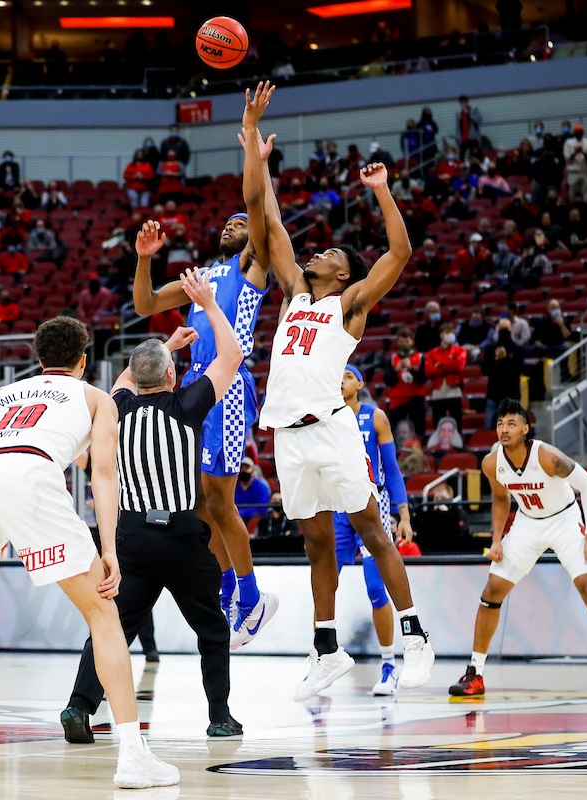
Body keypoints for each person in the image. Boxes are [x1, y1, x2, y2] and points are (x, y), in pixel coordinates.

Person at [0, 317, 178, 788]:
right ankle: (133, 755)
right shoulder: (94, 398)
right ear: (84, 360)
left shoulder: (1, 394)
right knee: (104, 613)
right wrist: (109, 548)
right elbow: (104, 476)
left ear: (39, 359)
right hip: (30, 478)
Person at [244, 91, 433, 700]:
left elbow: (399, 253)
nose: (317, 252)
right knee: (315, 542)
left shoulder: (348, 306)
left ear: (343, 274)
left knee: (373, 531)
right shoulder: (295, 293)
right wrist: (256, 147)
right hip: (289, 438)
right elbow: (265, 217)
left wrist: (380, 191)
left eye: (328, 253)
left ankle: (415, 638)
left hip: (332, 426)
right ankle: (325, 651)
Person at [63, 270, 244, 747]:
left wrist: (165, 344)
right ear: (171, 375)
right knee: (212, 629)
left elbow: (128, 373)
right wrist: (207, 304)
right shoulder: (187, 403)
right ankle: (220, 716)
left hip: (132, 539)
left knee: (110, 629)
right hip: (182, 537)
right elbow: (232, 355)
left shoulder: (117, 405)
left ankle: (79, 707)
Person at [128, 85, 280, 652]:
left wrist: (252, 153)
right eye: (227, 224)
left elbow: (259, 208)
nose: (230, 225)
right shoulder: (200, 277)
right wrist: (144, 260)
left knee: (218, 499)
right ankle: (225, 592)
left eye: (239, 223)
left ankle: (252, 596)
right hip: (192, 385)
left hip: (229, 384)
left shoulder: (253, 264)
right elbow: (144, 306)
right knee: (197, 503)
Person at [450, 399, 587, 700]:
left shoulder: (547, 456)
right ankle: (475, 673)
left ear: (526, 429)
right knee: (492, 591)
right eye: (500, 424)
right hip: (527, 523)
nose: (504, 429)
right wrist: (496, 540)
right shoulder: (491, 463)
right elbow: (501, 499)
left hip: (565, 519)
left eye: (511, 424)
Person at [333, 366, 414, 696]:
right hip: (336, 507)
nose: (341, 380)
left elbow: (392, 468)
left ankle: (389, 665)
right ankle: (320, 656)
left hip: (372, 505)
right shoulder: (325, 415)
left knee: (375, 589)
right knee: (324, 581)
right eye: (337, 375)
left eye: (348, 376)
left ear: (361, 383)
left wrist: (403, 514)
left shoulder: (375, 417)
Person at [384, 328, 428, 441]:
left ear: (412, 341)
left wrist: (411, 369)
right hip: (397, 401)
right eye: (402, 342)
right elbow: (388, 381)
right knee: (395, 431)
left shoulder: (420, 358)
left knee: (418, 431)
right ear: (398, 342)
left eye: (407, 342)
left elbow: (423, 379)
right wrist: (397, 370)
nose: (404, 344)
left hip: (416, 400)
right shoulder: (392, 359)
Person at [425, 323, 466, 431]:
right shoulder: (432, 353)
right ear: (441, 335)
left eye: (451, 333)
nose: (450, 335)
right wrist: (448, 365)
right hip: (438, 393)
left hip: (454, 392)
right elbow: (429, 371)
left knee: (457, 425)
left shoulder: (460, 350)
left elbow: (458, 366)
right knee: (437, 425)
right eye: (447, 332)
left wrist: (440, 365)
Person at [233, 457, 271, 524]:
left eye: (247, 468)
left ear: (253, 471)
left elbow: (262, 509)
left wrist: (241, 513)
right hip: (235, 519)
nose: (243, 471)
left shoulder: (262, 487)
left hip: (255, 520)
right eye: (241, 468)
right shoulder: (233, 486)